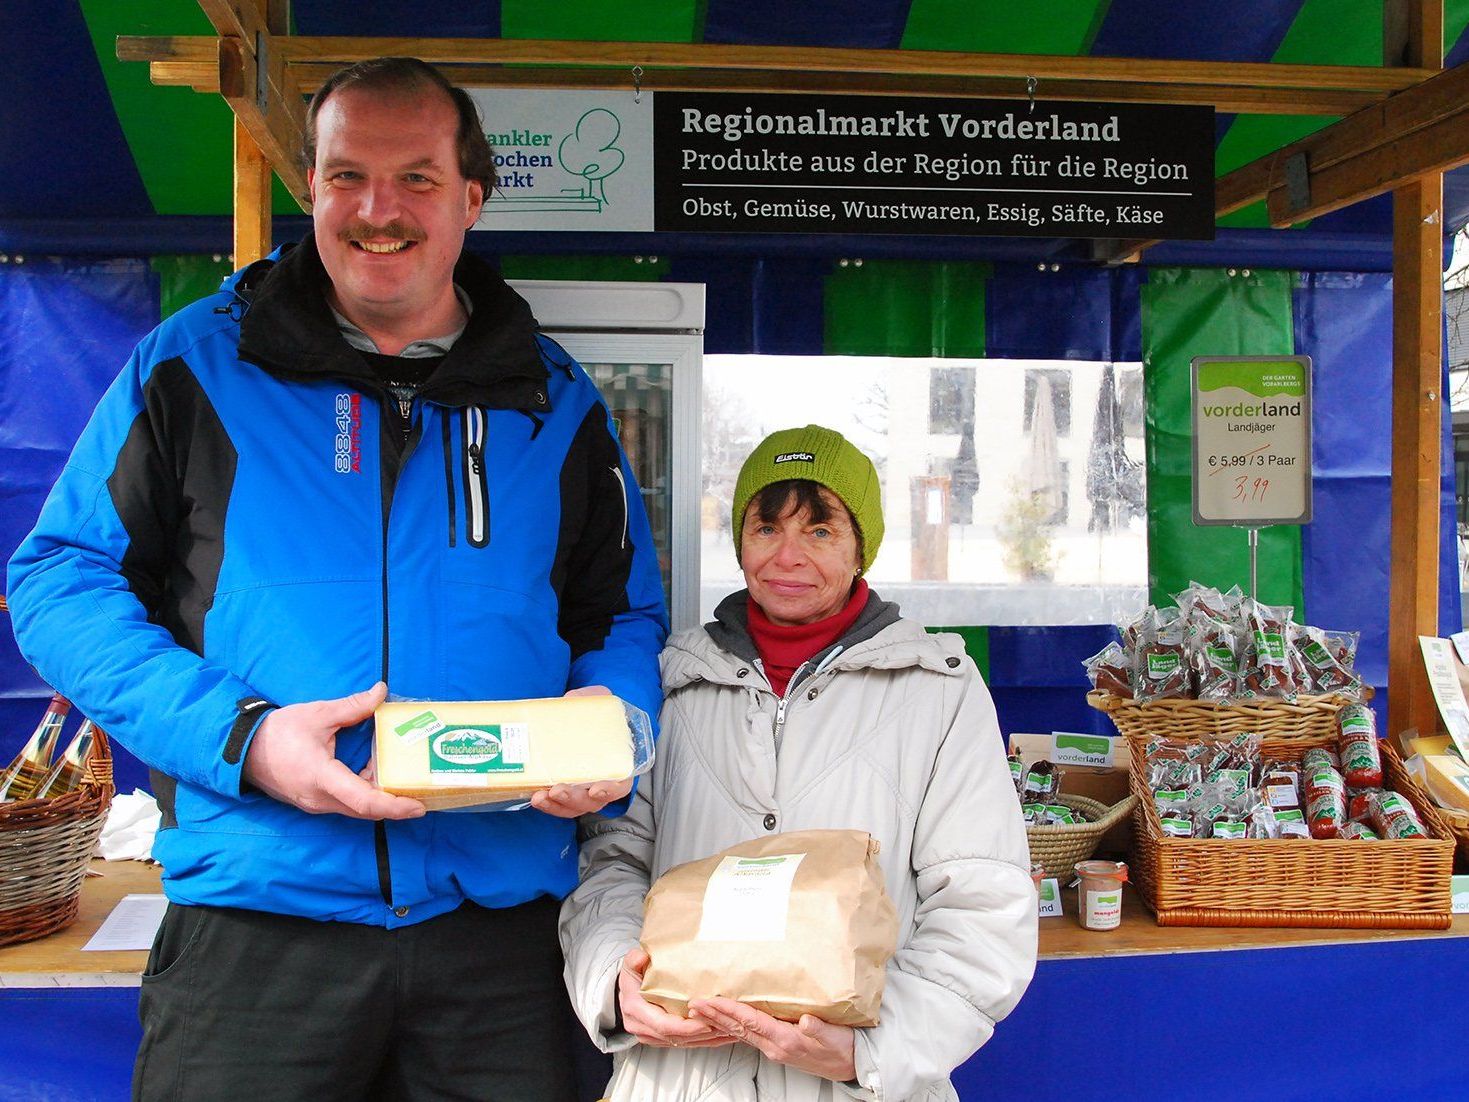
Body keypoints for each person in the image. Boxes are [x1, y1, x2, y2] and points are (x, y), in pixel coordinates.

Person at [7, 57, 666, 1101]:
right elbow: (57, 577)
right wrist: (245, 737)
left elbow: (619, 610)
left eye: (415, 177)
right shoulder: (193, 367)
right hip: (257, 933)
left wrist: (615, 723)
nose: (377, 209)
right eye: (345, 175)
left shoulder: (557, 400)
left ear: (471, 197)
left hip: (499, 938)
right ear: (308, 189)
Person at [561, 425, 1037, 1101]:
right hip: (680, 1078)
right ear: (739, 540)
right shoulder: (670, 683)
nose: (787, 556)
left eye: (819, 531)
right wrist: (614, 981)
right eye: (765, 528)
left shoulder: (939, 690)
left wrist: (869, 1049)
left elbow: (982, 903)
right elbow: (610, 863)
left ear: (859, 547)